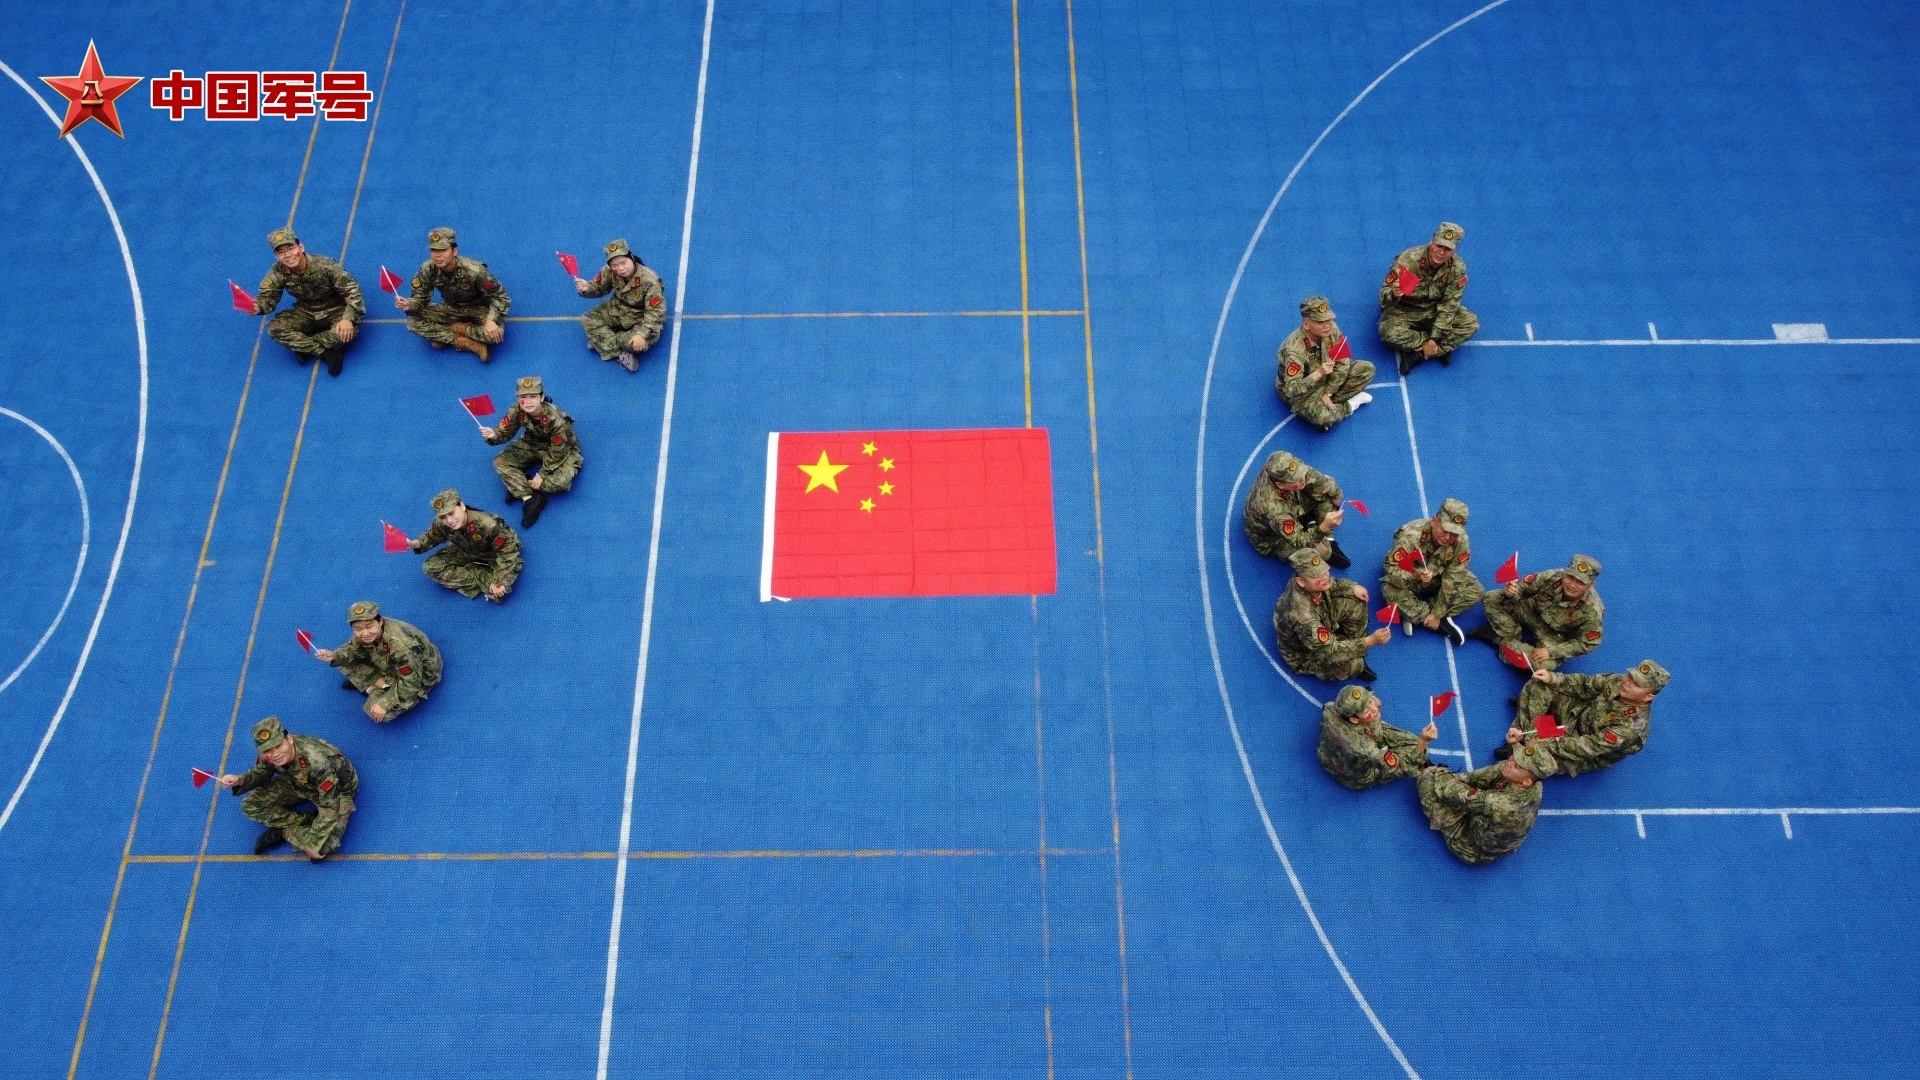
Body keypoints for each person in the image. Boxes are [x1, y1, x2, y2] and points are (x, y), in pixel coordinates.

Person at [218, 716, 357, 862]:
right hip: (299, 782)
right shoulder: (267, 755)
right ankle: (304, 820)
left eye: (278, 746)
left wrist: (316, 842)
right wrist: (240, 779)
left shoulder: (318, 763)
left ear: (289, 739)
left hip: (338, 791)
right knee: (250, 806)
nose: (275, 754)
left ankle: (285, 832)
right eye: (267, 750)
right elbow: (260, 773)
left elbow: (330, 805)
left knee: (319, 851)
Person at [1498, 660, 1669, 777]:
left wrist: (1543, 744)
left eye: (1636, 684)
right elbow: (1585, 684)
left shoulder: (1631, 727)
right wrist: (1553, 678)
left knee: (1532, 763)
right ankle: (1525, 735)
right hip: (1577, 716)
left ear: (1648, 697)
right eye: (1630, 676)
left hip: (1585, 749)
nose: (1627, 682)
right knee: (1540, 684)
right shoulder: (1618, 681)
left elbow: (1587, 747)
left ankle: (1522, 739)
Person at [1415, 742, 1555, 866]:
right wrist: (1454, 778)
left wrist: (1439, 772)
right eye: (1515, 756)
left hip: (1471, 849)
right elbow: (1475, 777)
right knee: (1489, 775)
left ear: (1526, 782)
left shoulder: (1497, 803)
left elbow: (1450, 792)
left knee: (1426, 778)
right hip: (1492, 830)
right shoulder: (1536, 784)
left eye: (1517, 766)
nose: (1510, 761)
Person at [249, 227, 364, 376]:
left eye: (291, 248)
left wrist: (347, 318)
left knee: (348, 332)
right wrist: (258, 307)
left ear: (301, 247)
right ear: (276, 256)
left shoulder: (325, 265)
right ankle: (325, 352)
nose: (288, 255)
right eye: (281, 252)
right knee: (275, 329)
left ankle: (302, 344)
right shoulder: (277, 272)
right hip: (306, 311)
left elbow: (353, 291)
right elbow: (268, 297)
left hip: (336, 309)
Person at [311, 601, 443, 722]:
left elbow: (412, 682)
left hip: (421, 674)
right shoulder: (368, 632)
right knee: (342, 661)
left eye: (369, 626)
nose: (365, 633)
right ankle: (379, 685)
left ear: (380, 621)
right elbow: (353, 649)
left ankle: (373, 688)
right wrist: (334, 655)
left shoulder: (400, 647)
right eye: (357, 629)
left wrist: (384, 704)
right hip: (391, 662)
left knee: (380, 713)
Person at [1273, 549, 1392, 683]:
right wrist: (1370, 641)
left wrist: (1351, 587)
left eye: (1325, 571)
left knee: (1356, 601)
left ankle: (1350, 646)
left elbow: (1330, 582)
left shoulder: (1305, 578)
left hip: (1319, 617)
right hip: (1306, 653)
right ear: (1300, 581)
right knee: (1354, 664)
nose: (1325, 577)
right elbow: (1330, 652)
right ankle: (1352, 654)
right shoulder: (1302, 617)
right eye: (1317, 576)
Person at [1470, 554, 1605, 672]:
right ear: (1565, 573)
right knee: (1492, 598)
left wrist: (1551, 652)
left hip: (1554, 635)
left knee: (1543, 666)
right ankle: (1511, 634)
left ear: (1591, 585)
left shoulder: (1593, 610)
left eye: (1580, 582)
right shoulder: (1552, 576)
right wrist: (1511, 593)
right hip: (1531, 611)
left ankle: (1500, 641)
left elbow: (1587, 643)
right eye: (1570, 577)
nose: (1572, 585)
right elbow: (1523, 587)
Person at [396, 227, 510, 362]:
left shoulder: (475, 270)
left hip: (479, 309)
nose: (437, 255)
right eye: (433, 250)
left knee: (495, 335)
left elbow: (500, 296)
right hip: (452, 308)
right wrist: (410, 305)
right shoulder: (428, 268)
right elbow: (420, 299)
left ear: (454, 251)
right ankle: (463, 342)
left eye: (443, 250)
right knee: (412, 322)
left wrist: (491, 320)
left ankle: (456, 330)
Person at [1378, 222, 1478, 376]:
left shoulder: (1457, 268)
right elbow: (1383, 298)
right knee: (1388, 333)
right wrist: (1393, 294)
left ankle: (1422, 353)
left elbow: (1449, 306)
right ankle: (1439, 347)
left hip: (1434, 309)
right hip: (1405, 310)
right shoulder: (1409, 261)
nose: (1441, 253)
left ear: (1455, 250)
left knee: (1470, 324)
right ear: (1432, 240)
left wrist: (1433, 341)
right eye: (1439, 246)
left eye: (1448, 249)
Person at [1379, 498, 1483, 646]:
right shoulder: (1410, 535)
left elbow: (1455, 577)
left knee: (1476, 590)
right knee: (1389, 590)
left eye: (1454, 534)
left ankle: (1417, 614)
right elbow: (1391, 570)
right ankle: (1433, 621)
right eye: (1444, 531)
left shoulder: (1461, 541)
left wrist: (1437, 613)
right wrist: (1416, 576)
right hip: (1410, 579)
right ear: (1434, 521)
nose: (1448, 538)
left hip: (1438, 578)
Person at [482, 376, 582, 527]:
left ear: (541, 397)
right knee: (500, 462)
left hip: (564, 450)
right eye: (523, 397)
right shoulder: (516, 410)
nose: (528, 402)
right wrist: (494, 435)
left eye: (533, 396)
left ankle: (518, 484)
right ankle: (530, 499)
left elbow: (558, 451)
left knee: (561, 483)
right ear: (518, 399)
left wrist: (541, 475)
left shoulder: (557, 420)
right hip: (533, 442)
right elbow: (506, 432)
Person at [1277, 296, 1375, 432]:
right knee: (1324, 418)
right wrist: (1318, 373)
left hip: (1327, 377)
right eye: (1320, 322)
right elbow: (1291, 389)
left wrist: (1328, 392)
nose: (1327, 325)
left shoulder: (1332, 329)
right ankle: (1349, 405)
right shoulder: (1295, 350)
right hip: (1305, 391)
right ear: (1306, 324)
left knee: (1367, 369)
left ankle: (1328, 402)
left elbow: (1343, 362)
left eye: (1329, 319)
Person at [409, 488, 522, 602]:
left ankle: (486, 580)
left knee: (505, 581)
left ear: (462, 506)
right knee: (431, 567)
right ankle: (485, 580)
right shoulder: (442, 523)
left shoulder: (488, 524)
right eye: (443, 517)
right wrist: (414, 543)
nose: (449, 520)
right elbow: (431, 537)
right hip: (464, 549)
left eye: (451, 513)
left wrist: (500, 582)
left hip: (492, 554)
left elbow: (508, 553)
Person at [1242, 450, 1351, 568]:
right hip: (1273, 538)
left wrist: (1335, 493)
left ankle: (1321, 533)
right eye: (1297, 480)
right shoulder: (1273, 508)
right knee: (1323, 553)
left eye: (1301, 475)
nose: (1303, 479)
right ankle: (1315, 530)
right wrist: (1324, 527)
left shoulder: (1282, 465)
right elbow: (1300, 541)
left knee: (1327, 495)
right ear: (1280, 485)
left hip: (1290, 499)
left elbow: (1311, 474)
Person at [1317, 685, 1437, 791]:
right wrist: (1423, 741)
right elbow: (1404, 767)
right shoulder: (1365, 748)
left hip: (1327, 756)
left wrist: (1369, 704)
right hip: (1354, 777)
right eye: (1366, 710)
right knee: (1414, 754)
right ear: (1354, 719)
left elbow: (1327, 707)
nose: (1374, 709)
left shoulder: (1332, 709)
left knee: (1377, 725)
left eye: (1370, 701)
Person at [575, 238, 666, 371]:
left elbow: (656, 313)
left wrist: (641, 334)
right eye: (615, 265)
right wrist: (587, 288)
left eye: (624, 263)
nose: (620, 269)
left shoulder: (650, 280)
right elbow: (599, 288)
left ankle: (602, 340)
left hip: (641, 316)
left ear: (632, 258)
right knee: (587, 319)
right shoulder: (608, 271)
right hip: (617, 308)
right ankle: (619, 352)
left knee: (638, 343)